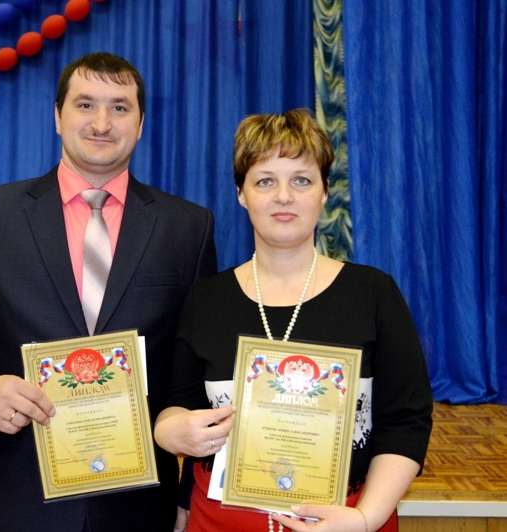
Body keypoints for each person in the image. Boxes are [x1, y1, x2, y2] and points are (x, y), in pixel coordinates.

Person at [0, 52, 217, 532]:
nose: (102, 123)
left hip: (138, 505)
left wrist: (189, 492)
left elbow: (193, 372)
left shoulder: (187, 227)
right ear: (57, 116)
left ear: (140, 123)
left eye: (119, 107)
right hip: (18, 498)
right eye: (85, 104)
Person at [154, 109, 433, 532]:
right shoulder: (205, 299)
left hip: (344, 520)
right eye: (265, 181)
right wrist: (171, 431)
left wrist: (364, 519)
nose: (283, 196)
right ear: (241, 194)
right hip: (220, 521)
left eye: (301, 180)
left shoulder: (373, 294)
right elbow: (176, 407)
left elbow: (405, 423)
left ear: (324, 192)